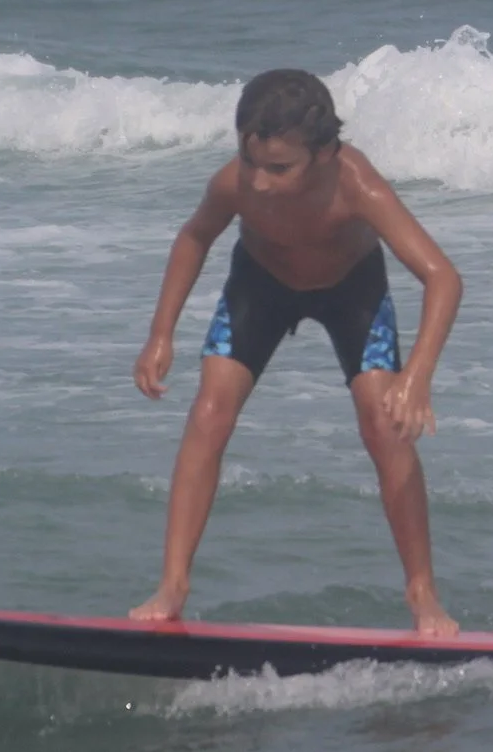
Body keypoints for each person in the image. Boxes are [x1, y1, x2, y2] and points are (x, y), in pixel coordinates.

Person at [132, 68, 462, 636]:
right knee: (208, 413)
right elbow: (194, 236)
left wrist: (418, 377)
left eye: (279, 168)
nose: (259, 183)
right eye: (249, 160)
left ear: (327, 152)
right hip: (261, 285)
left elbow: (443, 278)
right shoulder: (234, 183)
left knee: (385, 427)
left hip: (351, 290)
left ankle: (422, 592)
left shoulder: (357, 186)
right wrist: (161, 332)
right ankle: (173, 585)